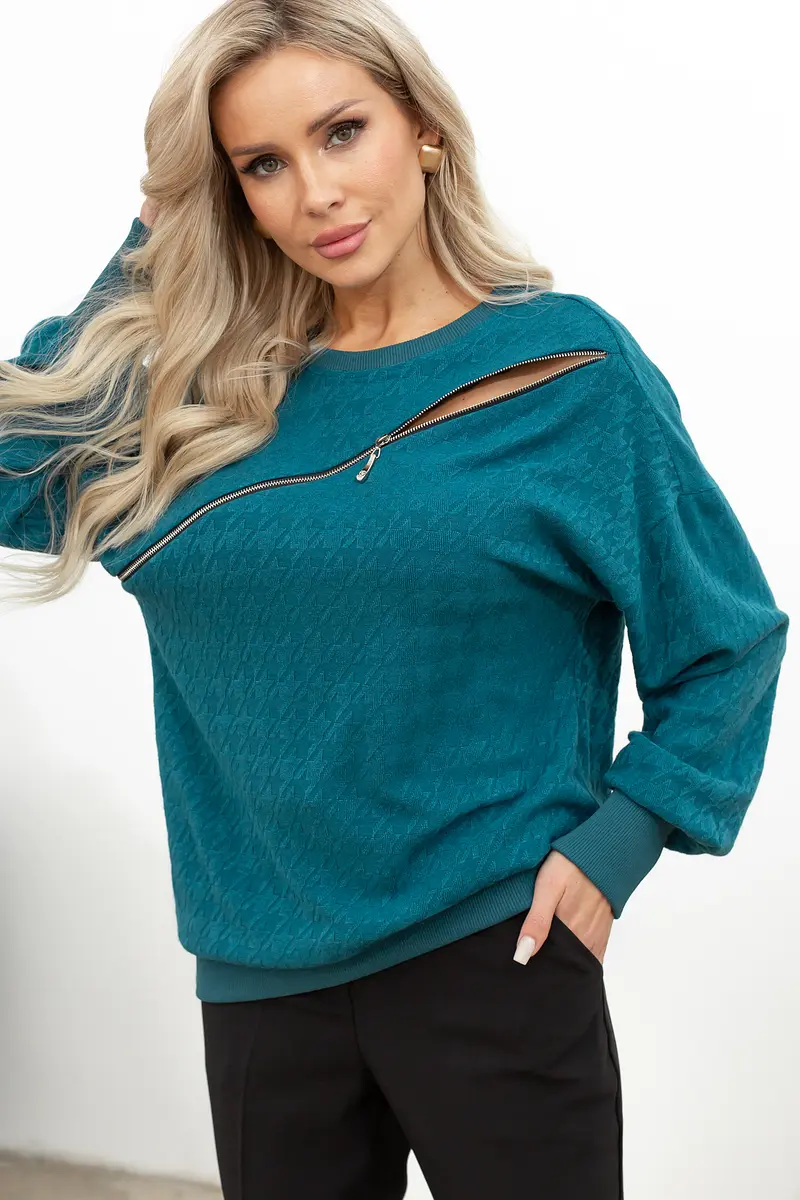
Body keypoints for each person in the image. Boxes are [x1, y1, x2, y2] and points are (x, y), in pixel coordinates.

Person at [0, 1, 789, 1196]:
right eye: (261, 164)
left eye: (341, 132)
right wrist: (151, 243)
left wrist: (616, 847)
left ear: (418, 126)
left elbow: (724, 637)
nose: (315, 192)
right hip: (258, 979)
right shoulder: (206, 399)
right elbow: (17, 473)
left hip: (494, 950)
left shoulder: (563, 369)